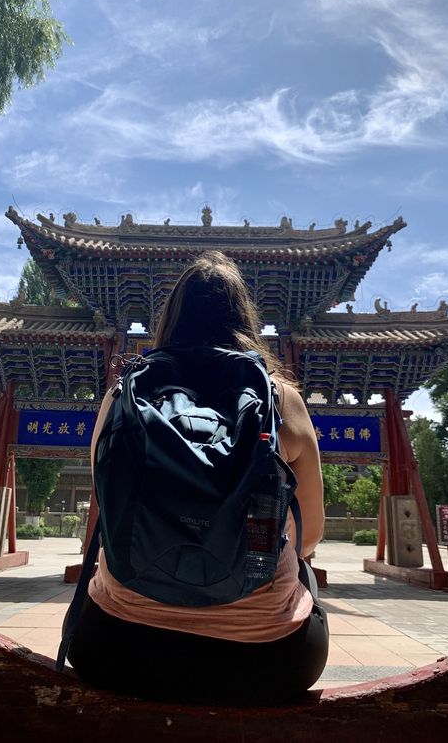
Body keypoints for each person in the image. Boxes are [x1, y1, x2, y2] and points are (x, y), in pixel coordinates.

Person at [66, 252, 328, 702]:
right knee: (304, 573)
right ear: (245, 318)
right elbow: (311, 535)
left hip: (116, 647)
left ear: (170, 319)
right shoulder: (281, 400)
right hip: (267, 660)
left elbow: (109, 508)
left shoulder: (122, 396)